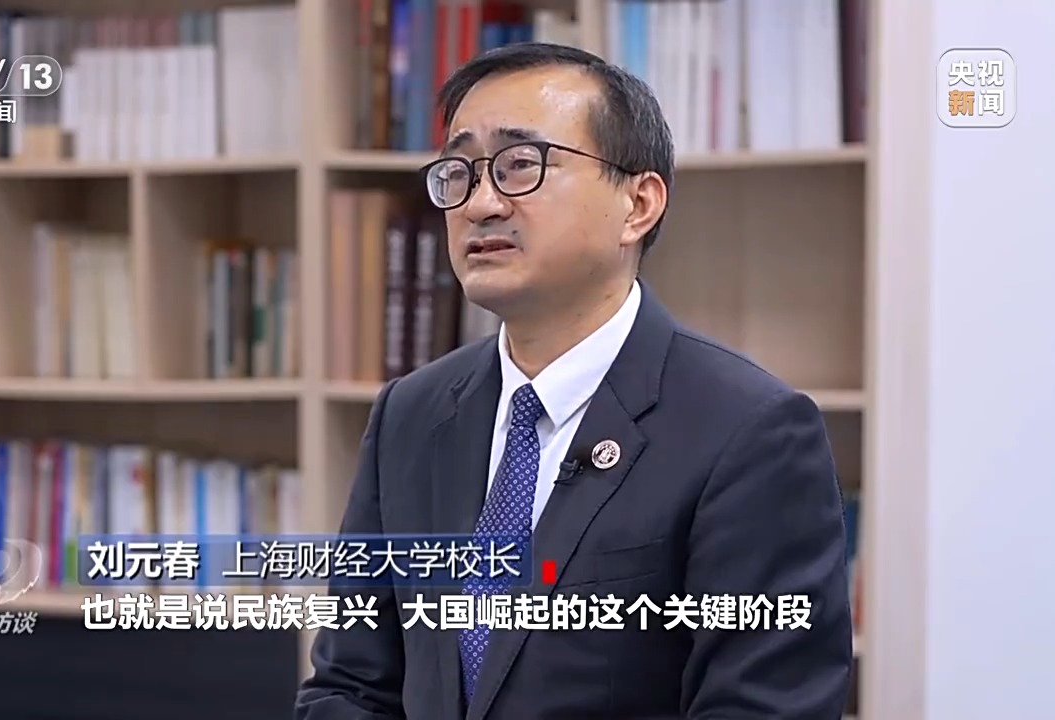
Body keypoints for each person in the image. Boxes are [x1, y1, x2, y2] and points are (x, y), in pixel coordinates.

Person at [295, 43, 853, 720]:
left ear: (637, 204)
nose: (481, 203)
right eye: (459, 173)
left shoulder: (750, 433)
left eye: (520, 165)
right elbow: (351, 686)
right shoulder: (411, 415)